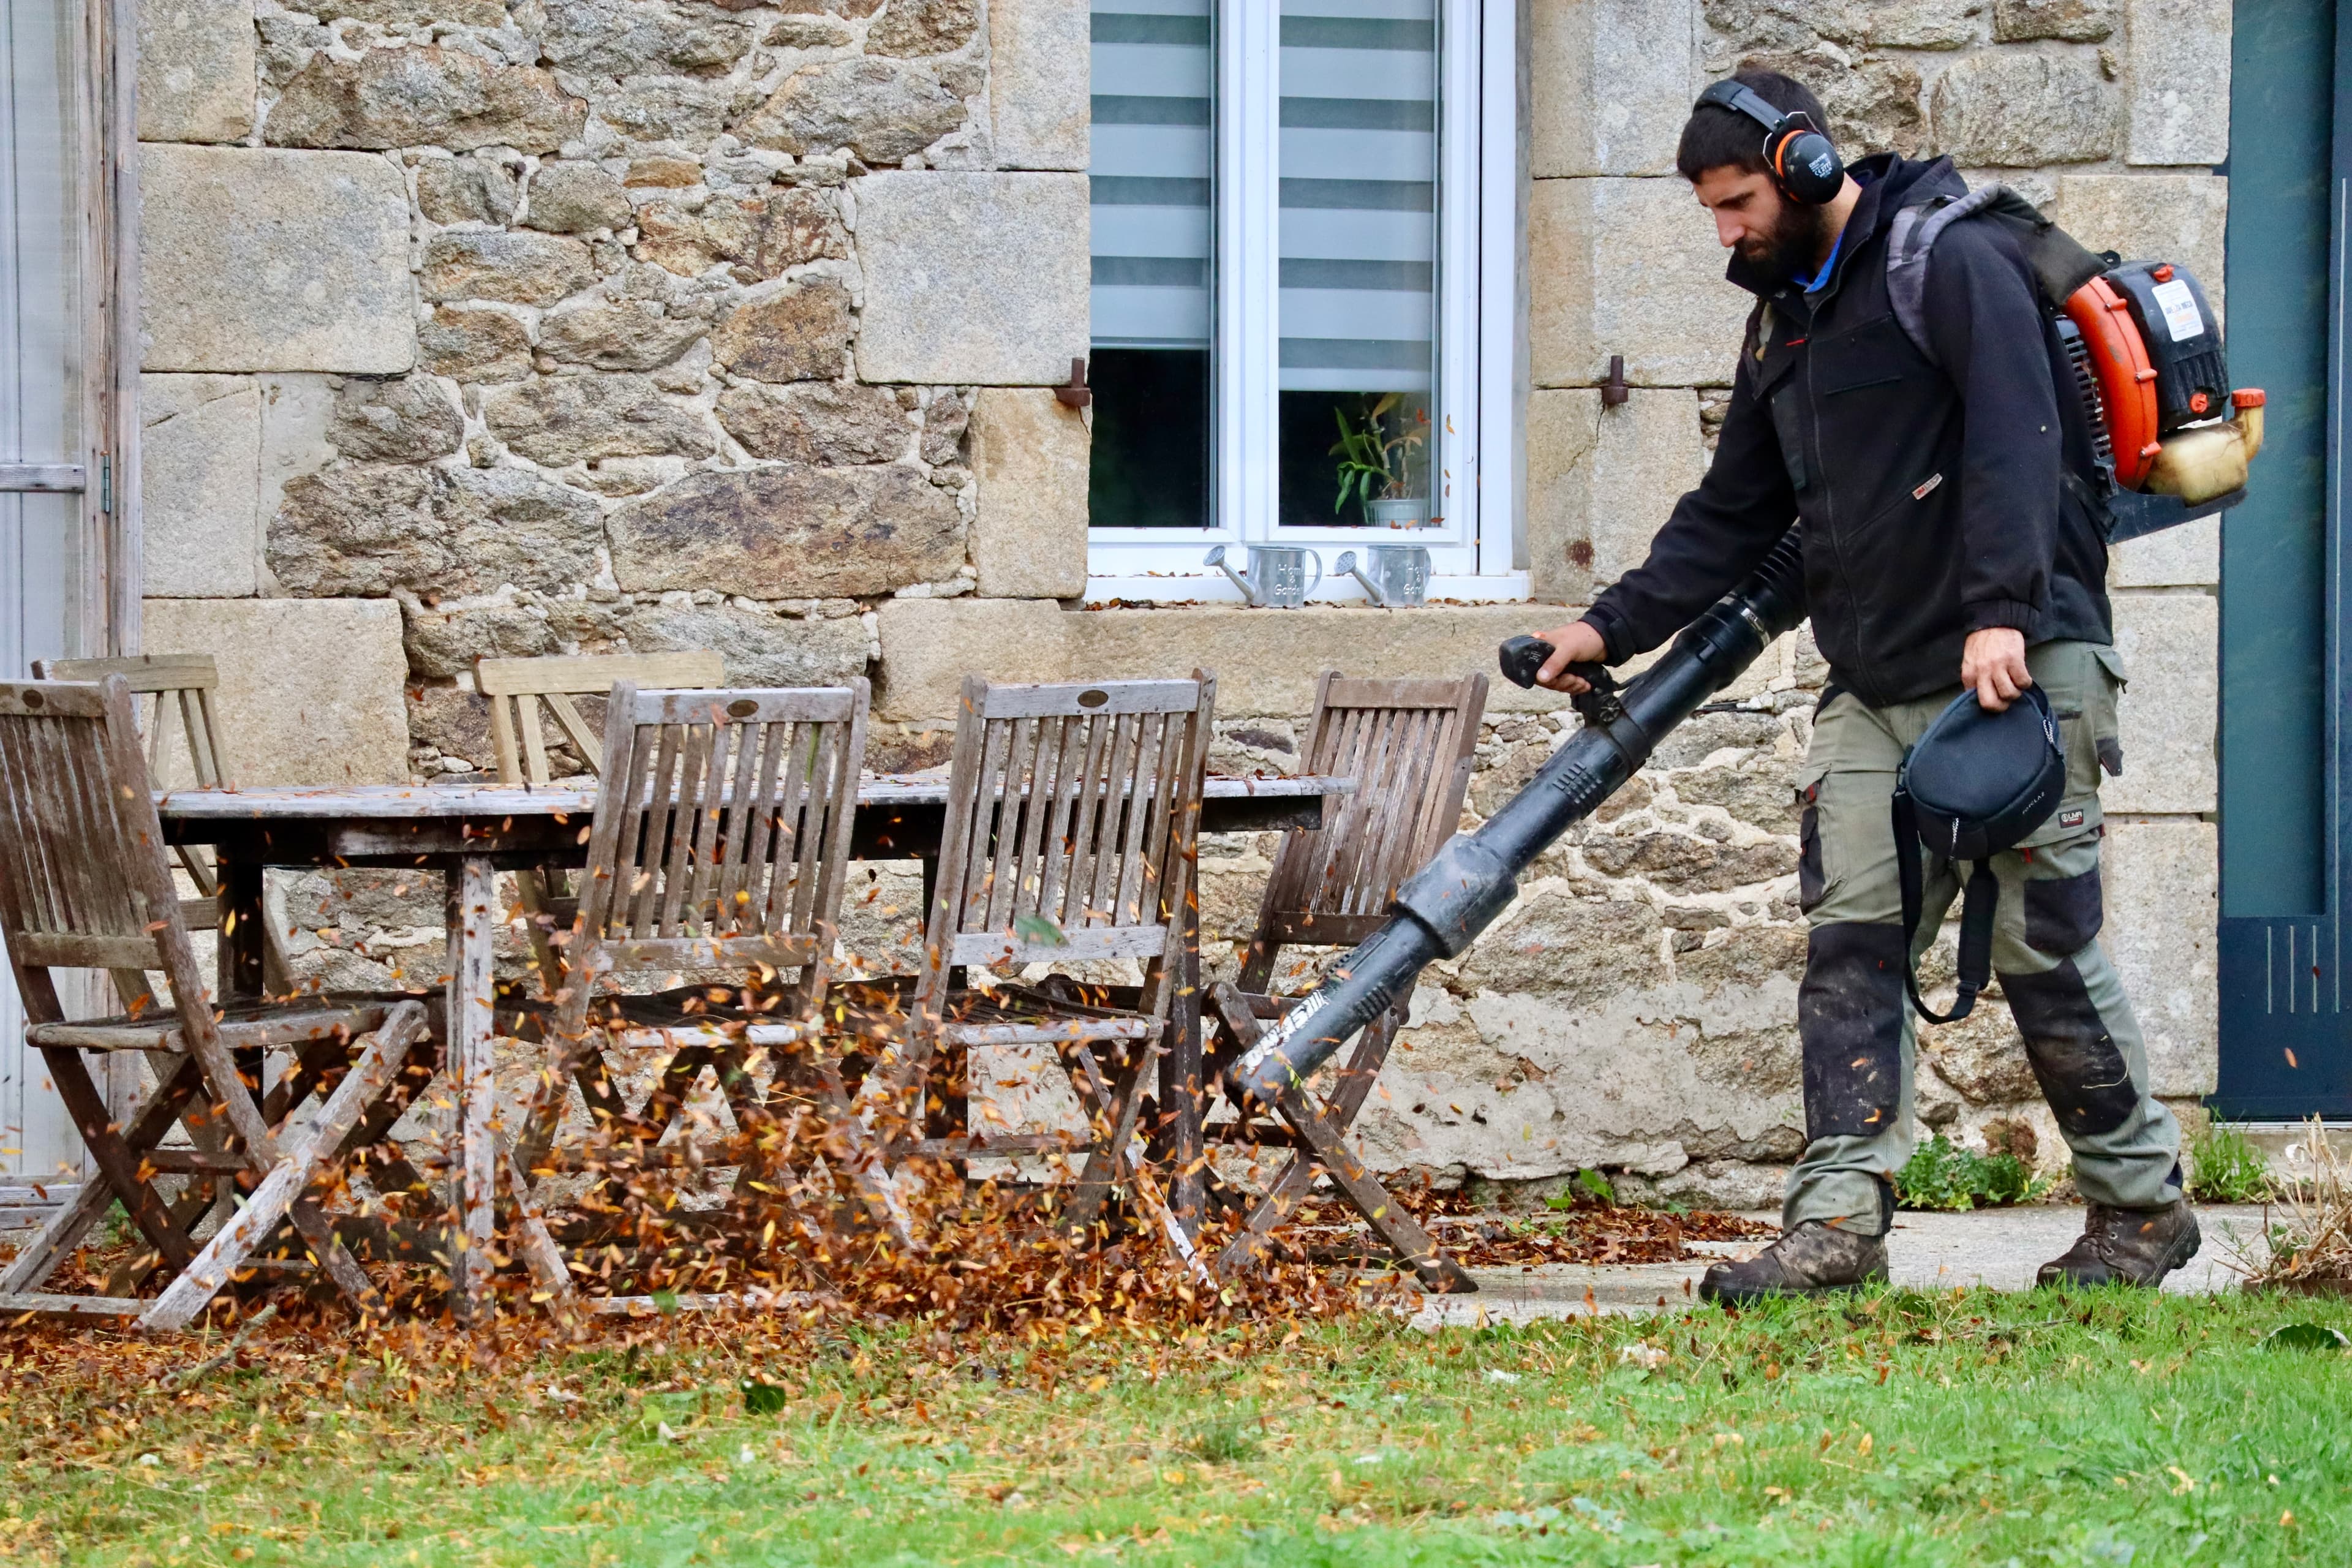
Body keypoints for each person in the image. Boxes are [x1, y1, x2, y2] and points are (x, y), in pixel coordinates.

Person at [1530, 70, 2198, 1303]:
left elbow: (2017, 437)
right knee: (1851, 948)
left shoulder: (1952, 262)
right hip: (1875, 678)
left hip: (2018, 660)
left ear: (1805, 167)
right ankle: (1837, 1226)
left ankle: (2141, 1206)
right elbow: (1734, 511)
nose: (1724, 232)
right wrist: (1605, 624)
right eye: (1711, 210)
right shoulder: (1783, 321)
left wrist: (2001, 612)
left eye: (1736, 202)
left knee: (2046, 947)